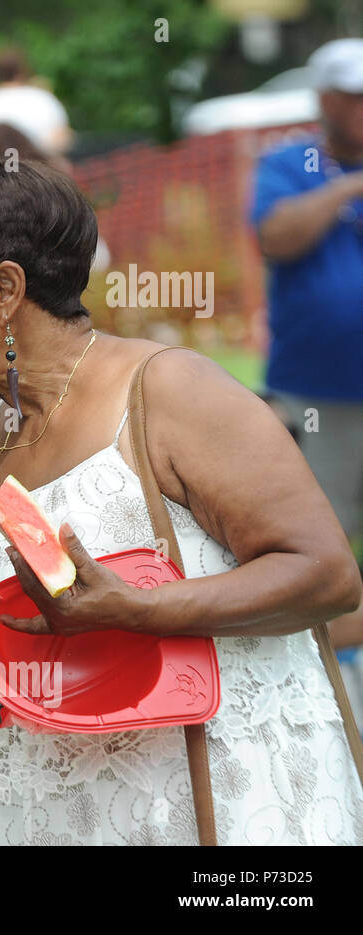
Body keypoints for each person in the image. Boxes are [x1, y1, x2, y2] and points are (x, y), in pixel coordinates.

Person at [0, 160, 363, 844]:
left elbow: (328, 574)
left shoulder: (168, 392)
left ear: (6, 288)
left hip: (206, 812)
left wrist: (138, 610)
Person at [250, 37, 363, 704]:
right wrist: (349, 186)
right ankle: (327, 680)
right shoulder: (292, 163)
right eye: (354, 96)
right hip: (313, 393)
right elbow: (276, 235)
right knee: (318, 541)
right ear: (325, 100)